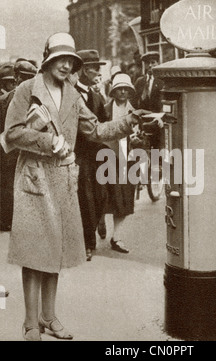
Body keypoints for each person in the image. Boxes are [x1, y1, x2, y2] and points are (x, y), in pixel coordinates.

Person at [1, 32, 150, 341]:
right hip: (32, 178)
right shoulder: (27, 90)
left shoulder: (72, 94)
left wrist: (130, 119)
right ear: (48, 60)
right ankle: (30, 324)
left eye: (71, 61)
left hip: (62, 180)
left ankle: (49, 316)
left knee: (55, 250)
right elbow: (12, 134)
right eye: (60, 59)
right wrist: (47, 140)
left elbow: (95, 128)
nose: (66, 65)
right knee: (33, 253)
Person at [74, 49, 108, 261]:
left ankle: (95, 227)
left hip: (96, 154)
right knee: (84, 198)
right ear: (85, 70)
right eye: (95, 68)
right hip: (76, 154)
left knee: (100, 195)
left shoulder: (97, 96)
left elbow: (104, 125)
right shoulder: (69, 93)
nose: (98, 72)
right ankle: (88, 243)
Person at [101, 73, 137, 254]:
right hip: (106, 157)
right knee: (103, 194)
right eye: (119, 89)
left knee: (124, 197)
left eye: (126, 89)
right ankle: (99, 220)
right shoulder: (104, 109)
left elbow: (142, 135)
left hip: (128, 159)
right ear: (113, 91)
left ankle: (117, 237)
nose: (123, 92)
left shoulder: (135, 111)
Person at [0, 60, 38, 231]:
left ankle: (11, 219)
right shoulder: (29, 99)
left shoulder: (7, 99)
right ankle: (9, 219)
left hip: (15, 148)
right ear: (16, 78)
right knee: (10, 183)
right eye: (24, 78)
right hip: (11, 149)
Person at [134, 51, 164, 150]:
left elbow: (165, 103)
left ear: (158, 63)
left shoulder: (162, 81)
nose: (150, 65)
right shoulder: (140, 81)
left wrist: (161, 117)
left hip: (158, 122)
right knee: (142, 149)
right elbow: (134, 102)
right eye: (147, 63)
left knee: (157, 149)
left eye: (153, 62)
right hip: (143, 123)